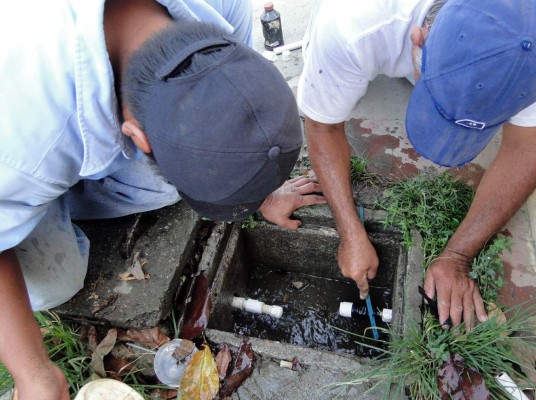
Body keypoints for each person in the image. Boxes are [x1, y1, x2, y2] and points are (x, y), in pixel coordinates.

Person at [0, 0, 325, 398]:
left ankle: (44, 199)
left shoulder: (224, 9)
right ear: (135, 136)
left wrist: (260, 189)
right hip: (20, 158)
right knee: (55, 283)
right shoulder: (23, 136)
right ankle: (31, 205)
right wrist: (34, 373)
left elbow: (237, 109)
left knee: (167, 185)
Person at [297, 0, 536, 329]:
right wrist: (349, 233)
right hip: (372, 32)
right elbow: (322, 126)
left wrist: (458, 256)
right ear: (419, 38)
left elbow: (527, 148)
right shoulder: (352, 25)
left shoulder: (528, 51)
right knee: (339, 84)